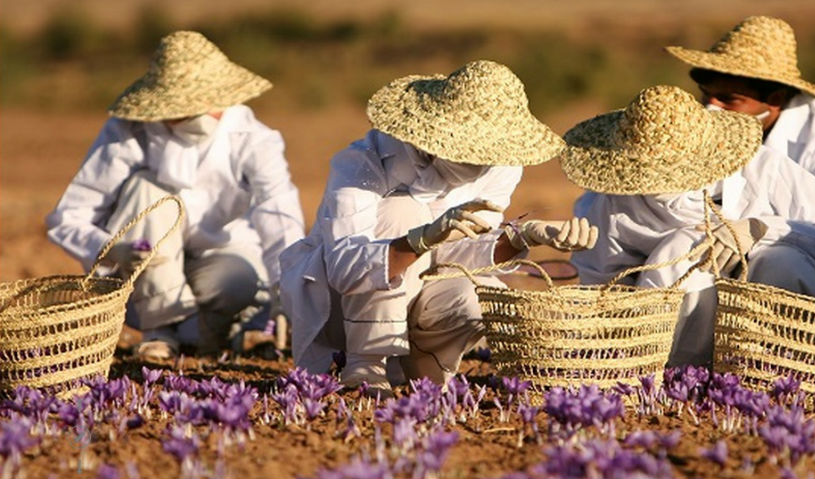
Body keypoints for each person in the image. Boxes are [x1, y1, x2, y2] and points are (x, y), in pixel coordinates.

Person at [279, 60, 598, 394]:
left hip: (424, 293)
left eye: (494, 150)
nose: (484, 160)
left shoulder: (502, 168)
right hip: (340, 306)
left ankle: (421, 364)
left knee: (480, 295)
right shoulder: (364, 163)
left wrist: (524, 234)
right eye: (470, 149)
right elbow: (345, 269)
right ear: (432, 137)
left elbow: (463, 258)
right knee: (403, 210)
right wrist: (419, 239)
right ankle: (366, 362)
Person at [563, 85, 815, 365]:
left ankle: (773, 373)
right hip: (669, 342)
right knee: (682, 248)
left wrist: (759, 230)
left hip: (772, 320)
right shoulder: (617, 199)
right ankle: (682, 376)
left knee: (784, 263)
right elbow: (601, 285)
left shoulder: (762, 168)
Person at [46, 31, 305, 361]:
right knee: (146, 188)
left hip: (219, 260)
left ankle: (214, 336)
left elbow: (278, 214)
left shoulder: (253, 139)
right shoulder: (130, 132)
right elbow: (69, 216)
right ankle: (160, 331)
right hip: (143, 276)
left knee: (236, 283)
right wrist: (112, 250)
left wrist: (288, 291)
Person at [666, 15, 815, 299]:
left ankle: (776, 343)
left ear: (775, 99)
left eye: (728, 99)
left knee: (780, 264)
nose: (710, 108)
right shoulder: (699, 129)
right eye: (706, 95)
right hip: (723, 258)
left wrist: (756, 230)